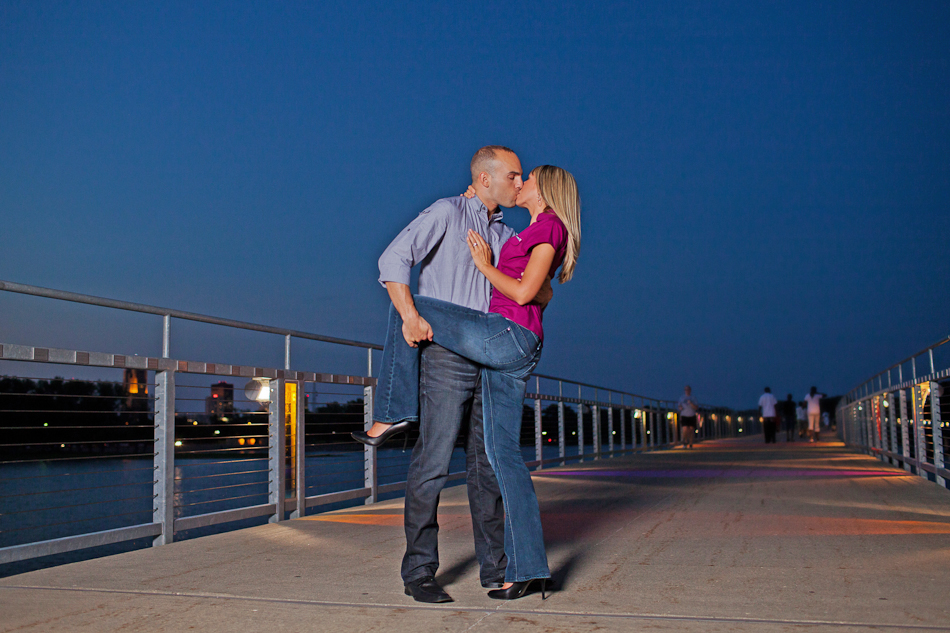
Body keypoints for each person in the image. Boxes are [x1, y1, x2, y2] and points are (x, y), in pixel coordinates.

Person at [359, 152, 581, 602]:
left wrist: (525, 285)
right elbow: (393, 260)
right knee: (433, 462)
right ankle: (419, 570)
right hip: (444, 353)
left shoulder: (508, 233)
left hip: (492, 350)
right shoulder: (447, 212)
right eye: (513, 175)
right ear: (486, 178)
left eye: (524, 177)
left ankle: (498, 569)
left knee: (488, 469)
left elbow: (542, 289)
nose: (519, 182)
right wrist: (408, 316)